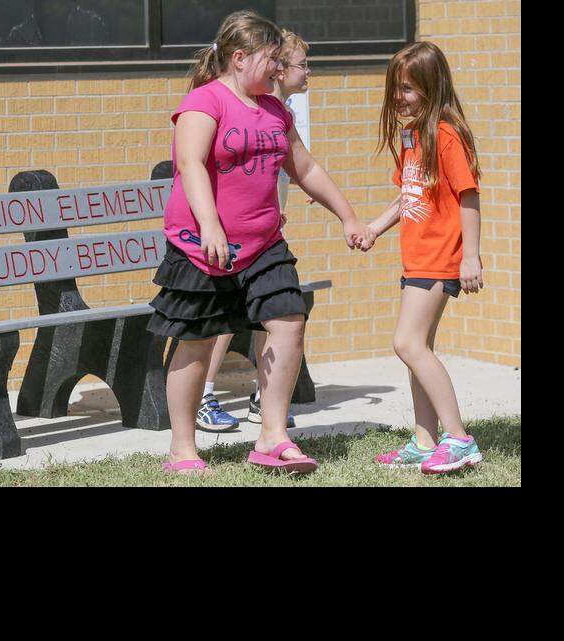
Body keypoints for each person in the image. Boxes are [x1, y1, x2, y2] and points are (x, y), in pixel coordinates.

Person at [149, 10, 363, 475]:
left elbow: (304, 168)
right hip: (199, 245)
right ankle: (182, 449)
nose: (280, 71)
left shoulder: (274, 110)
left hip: (263, 240)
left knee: (288, 320)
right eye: (273, 62)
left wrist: (347, 216)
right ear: (240, 58)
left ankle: (272, 437)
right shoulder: (204, 103)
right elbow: (189, 164)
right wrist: (210, 225)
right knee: (197, 342)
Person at [356, 42, 485, 475]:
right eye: (396, 87)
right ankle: (425, 441)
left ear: (432, 87)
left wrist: (471, 257)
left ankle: (459, 438)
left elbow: (469, 197)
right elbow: (407, 195)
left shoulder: (446, 134)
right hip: (416, 259)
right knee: (418, 350)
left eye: (408, 89)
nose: (399, 97)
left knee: (407, 343)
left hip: (438, 259)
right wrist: (374, 226)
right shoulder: (414, 136)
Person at [196, 28, 313, 433]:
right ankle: (204, 395)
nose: (301, 71)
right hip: (227, 237)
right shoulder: (221, 103)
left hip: (265, 230)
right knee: (226, 319)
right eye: (297, 64)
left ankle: (263, 402)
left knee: (279, 313)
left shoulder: (284, 110)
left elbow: (295, 165)